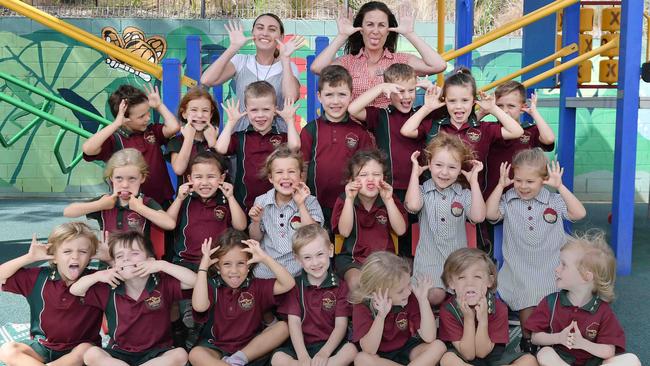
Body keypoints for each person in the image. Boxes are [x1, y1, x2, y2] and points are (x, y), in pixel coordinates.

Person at [485, 149, 587, 353]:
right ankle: (528, 338)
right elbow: (490, 214)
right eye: (518, 180)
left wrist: (560, 187)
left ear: (544, 180)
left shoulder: (554, 200)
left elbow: (579, 213)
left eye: (530, 181)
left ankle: (554, 337)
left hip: (551, 263)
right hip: (519, 264)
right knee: (527, 289)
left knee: (555, 292)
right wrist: (500, 186)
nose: (523, 186)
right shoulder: (509, 199)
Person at [70, 230, 196, 366]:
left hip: (157, 352)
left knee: (180, 354)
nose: (126, 259)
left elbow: (195, 281)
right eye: (119, 256)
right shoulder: (109, 286)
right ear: (114, 265)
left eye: (134, 253)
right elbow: (75, 290)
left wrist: (162, 265)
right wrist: (97, 276)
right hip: (119, 353)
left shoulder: (162, 282)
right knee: (91, 354)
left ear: (150, 260)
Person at [347, 63, 432, 258]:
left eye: (411, 90)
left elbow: (452, 104)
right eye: (400, 91)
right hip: (390, 189)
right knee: (394, 239)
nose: (407, 96)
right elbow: (353, 108)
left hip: (419, 187)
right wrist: (379, 88)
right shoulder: (382, 115)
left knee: (416, 241)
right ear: (389, 92)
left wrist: (434, 90)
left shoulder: (422, 114)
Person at [526, 231, 641, 366]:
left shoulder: (603, 310)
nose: (556, 269)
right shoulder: (550, 302)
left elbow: (609, 350)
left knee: (631, 360)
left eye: (564, 265)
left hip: (593, 362)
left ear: (586, 277)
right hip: (561, 360)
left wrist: (582, 343)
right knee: (544, 353)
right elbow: (535, 337)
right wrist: (559, 338)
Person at [0, 222, 104, 366]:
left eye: (83, 252)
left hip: (79, 351)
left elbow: (129, 280)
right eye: (67, 251)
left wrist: (109, 257)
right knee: (7, 350)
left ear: (90, 257)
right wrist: (29, 258)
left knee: (87, 350)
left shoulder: (97, 279)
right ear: (54, 257)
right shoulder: (38, 278)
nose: (75, 257)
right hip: (43, 347)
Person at [189, 229, 295, 366]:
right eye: (227, 264)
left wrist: (265, 258)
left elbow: (288, 283)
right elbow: (199, 306)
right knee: (195, 354)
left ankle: (236, 361)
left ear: (249, 264)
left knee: (283, 327)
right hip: (216, 347)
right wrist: (203, 267)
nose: (234, 271)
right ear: (217, 266)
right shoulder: (210, 285)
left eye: (241, 263)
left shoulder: (256, 286)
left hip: (250, 349)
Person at [310, 1, 446, 108]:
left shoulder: (400, 61)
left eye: (381, 25)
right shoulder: (347, 62)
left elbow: (438, 65)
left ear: (388, 31)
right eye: (369, 24)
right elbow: (317, 68)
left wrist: (409, 33)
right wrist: (342, 35)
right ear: (361, 29)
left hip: (389, 134)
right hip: (354, 136)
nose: (375, 31)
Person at [404, 133, 485, 305]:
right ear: (429, 164)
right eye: (438, 165)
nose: (444, 172)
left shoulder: (464, 194)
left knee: (466, 297)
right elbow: (412, 206)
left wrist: (474, 182)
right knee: (435, 295)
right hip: (429, 261)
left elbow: (478, 217)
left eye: (452, 167)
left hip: (458, 262)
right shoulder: (423, 191)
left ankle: (454, 320)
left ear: (460, 169)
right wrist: (414, 174)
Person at [300, 65, 375, 235]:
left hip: (350, 205)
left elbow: (367, 169)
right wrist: (304, 201)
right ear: (319, 96)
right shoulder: (311, 130)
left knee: (345, 247)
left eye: (342, 94)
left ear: (351, 96)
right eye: (329, 95)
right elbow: (302, 168)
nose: (335, 101)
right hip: (316, 205)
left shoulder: (359, 132)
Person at [271, 224, 358, 365]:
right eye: (307, 257)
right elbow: (294, 324)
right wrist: (303, 356)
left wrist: (324, 353)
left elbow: (341, 325)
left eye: (320, 254)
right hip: (302, 347)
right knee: (277, 358)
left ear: (330, 250)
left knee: (351, 350)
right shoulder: (295, 286)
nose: (315, 262)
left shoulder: (341, 285)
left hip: (330, 347)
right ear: (298, 259)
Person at [200, 14, 304, 132]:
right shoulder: (241, 61)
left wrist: (285, 59)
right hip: (242, 139)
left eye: (272, 29)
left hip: (278, 140)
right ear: (253, 32)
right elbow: (206, 80)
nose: (265, 33)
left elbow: (291, 98)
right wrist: (233, 47)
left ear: (281, 37)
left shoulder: (289, 66)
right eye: (260, 28)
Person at [82, 84, 180, 206]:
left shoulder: (152, 131)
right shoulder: (115, 139)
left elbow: (174, 127)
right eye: (141, 116)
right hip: (131, 205)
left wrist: (159, 106)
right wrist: (115, 124)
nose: (148, 118)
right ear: (124, 118)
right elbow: (88, 149)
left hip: (162, 201)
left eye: (148, 112)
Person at [438, 248, 537, 366]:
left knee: (529, 360)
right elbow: (468, 355)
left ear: (489, 281)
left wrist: (483, 320)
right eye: (461, 277)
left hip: (494, 359)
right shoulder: (448, 310)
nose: (470, 283)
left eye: (477, 277)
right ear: (451, 283)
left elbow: (482, 352)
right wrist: (469, 319)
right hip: (463, 358)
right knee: (447, 359)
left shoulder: (499, 308)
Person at [350, 251, 446, 365]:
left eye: (409, 283)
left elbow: (429, 337)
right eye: (400, 291)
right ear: (377, 291)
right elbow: (369, 350)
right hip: (379, 355)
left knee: (438, 346)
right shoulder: (362, 305)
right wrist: (380, 316)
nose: (408, 291)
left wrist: (423, 300)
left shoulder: (409, 297)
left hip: (406, 348)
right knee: (361, 359)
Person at [216, 80, 300, 211]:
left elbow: (295, 146)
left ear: (275, 110)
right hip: (246, 206)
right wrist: (231, 122)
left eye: (266, 109)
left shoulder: (282, 136)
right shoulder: (241, 137)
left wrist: (289, 120)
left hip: (277, 208)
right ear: (246, 110)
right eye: (254, 110)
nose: (260, 115)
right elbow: (220, 148)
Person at [331, 149, 407, 290]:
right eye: (363, 175)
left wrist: (389, 200)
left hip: (384, 259)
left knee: (393, 285)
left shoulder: (389, 199)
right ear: (351, 180)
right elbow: (344, 232)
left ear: (383, 178)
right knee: (356, 282)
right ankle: (362, 312)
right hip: (352, 259)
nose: (370, 179)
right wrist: (349, 199)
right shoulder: (344, 200)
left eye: (376, 174)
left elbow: (401, 230)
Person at [249, 145, 324, 279]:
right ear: (271, 178)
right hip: (268, 269)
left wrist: (301, 204)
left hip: (299, 270)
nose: (286, 177)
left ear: (301, 176)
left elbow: (314, 235)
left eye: (291, 172)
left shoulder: (309, 201)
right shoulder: (261, 201)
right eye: (279, 172)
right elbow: (255, 238)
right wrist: (256, 222)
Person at [64, 148, 176, 235]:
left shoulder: (145, 202)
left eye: (132, 178)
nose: (125, 185)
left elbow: (170, 224)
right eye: (119, 178)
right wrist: (99, 205)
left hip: (140, 262)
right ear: (111, 178)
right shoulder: (105, 201)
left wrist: (140, 209)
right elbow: (68, 212)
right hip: (109, 262)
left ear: (142, 178)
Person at [167, 151, 247, 270]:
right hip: (185, 261)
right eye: (198, 177)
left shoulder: (226, 200)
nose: (204, 183)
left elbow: (241, 226)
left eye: (211, 176)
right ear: (190, 178)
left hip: (217, 262)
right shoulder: (185, 199)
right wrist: (178, 199)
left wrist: (231, 197)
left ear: (222, 178)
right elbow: (168, 223)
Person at [483, 80, 555, 200]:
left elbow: (549, 139)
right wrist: (486, 110)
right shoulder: (488, 129)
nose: (505, 111)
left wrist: (534, 112)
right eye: (500, 106)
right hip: (491, 195)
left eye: (511, 106)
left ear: (522, 107)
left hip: (522, 195)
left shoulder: (529, 131)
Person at [167, 86, 220, 185]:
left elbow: (223, 169)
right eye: (194, 110)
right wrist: (188, 139)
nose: (200, 115)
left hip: (215, 199)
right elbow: (179, 169)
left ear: (211, 114)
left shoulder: (218, 140)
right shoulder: (176, 142)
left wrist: (213, 143)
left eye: (205, 110)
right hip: (188, 198)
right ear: (184, 114)